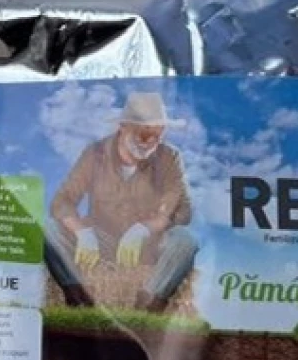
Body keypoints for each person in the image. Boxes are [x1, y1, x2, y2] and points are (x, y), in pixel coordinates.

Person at [44, 91, 197, 312]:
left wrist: (145, 228)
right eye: (144, 135)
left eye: (158, 135)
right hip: (101, 241)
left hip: (148, 246)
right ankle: (78, 298)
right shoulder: (94, 154)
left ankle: (149, 305)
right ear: (123, 127)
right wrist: (82, 232)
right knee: (48, 229)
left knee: (185, 241)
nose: (151, 142)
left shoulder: (169, 157)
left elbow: (184, 212)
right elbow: (61, 202)